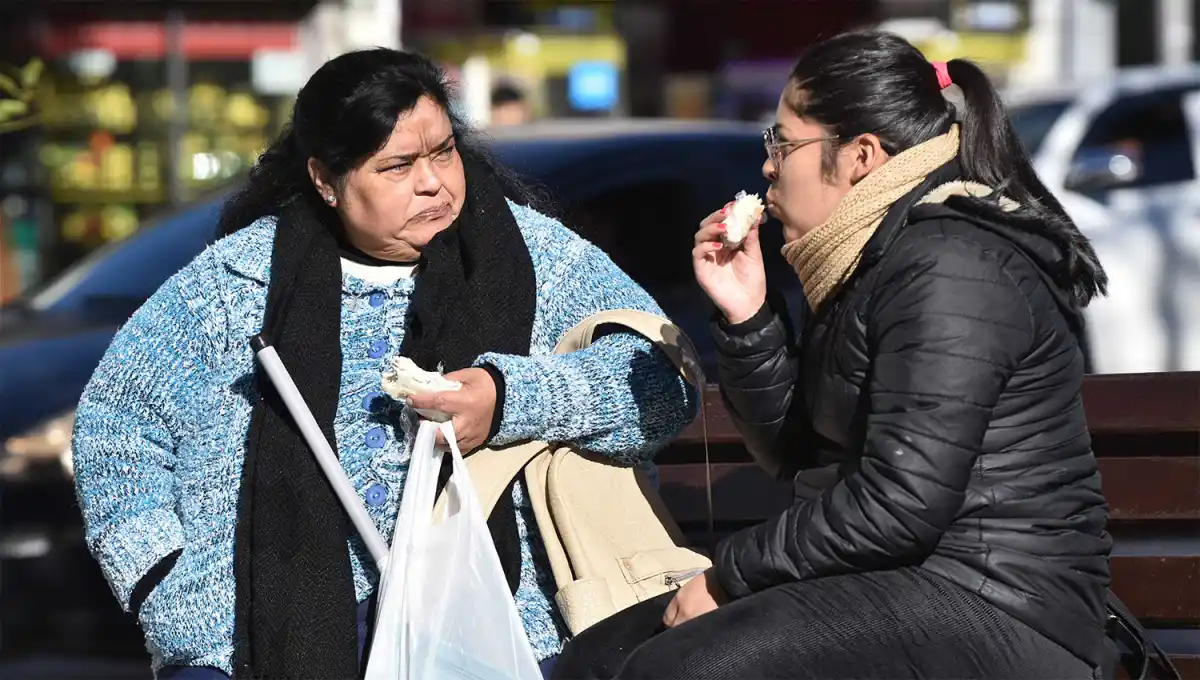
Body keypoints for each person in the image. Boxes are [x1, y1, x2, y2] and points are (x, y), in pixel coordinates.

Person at [71, 48, 695, 680]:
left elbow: (659, 386)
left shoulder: (537, 259)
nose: (434, 183)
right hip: (259, 637)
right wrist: (170, 593)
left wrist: (510, 400)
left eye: (444, 151)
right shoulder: (236, 286)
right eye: (398, 165)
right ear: (325, 179)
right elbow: (115, 423)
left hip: (498, 630)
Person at [554, 30, 1112, 679]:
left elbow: (900, 504)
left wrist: (728, 576)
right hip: (905, 583)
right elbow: (794, 453)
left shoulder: (952, 266)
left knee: (680, 670)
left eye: (784, 143)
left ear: (861, 156)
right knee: (596, 659)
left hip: (999, 607)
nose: (767, 166)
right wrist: (748, 316)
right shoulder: (871, 261)